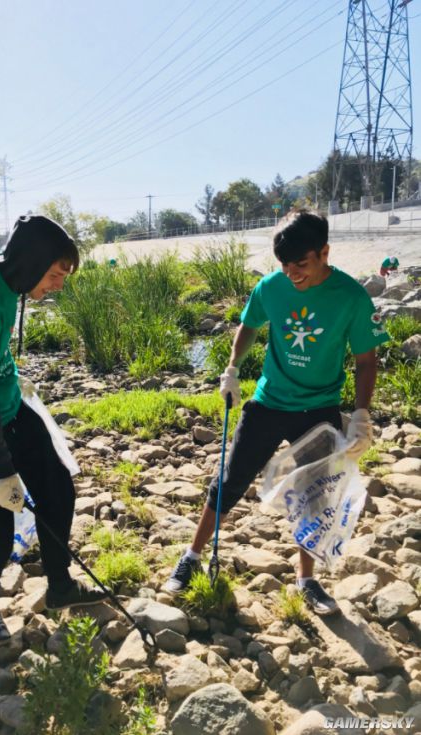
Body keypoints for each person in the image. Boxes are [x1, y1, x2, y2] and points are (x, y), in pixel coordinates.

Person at [165, 210, 389, 616]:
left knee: (315, 494)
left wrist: (360, 414)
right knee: (230, 479)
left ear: (324, 252)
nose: (292, 274)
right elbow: (249, 325)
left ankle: (307, 580)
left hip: (318, 409)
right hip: (268, 402)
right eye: (284, 265)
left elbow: (366, 360)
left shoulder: (352, 297)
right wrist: (232, 368)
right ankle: (192, 557)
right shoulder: (271, 287)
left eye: (301, 264)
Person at [0, 215, 107, 647]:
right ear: (31, 265)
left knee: (57, 486)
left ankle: (60, 586)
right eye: (54, 275)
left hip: (7, 402)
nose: (58, 285)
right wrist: (0, 469)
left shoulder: (8, 273)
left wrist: (12, 377)